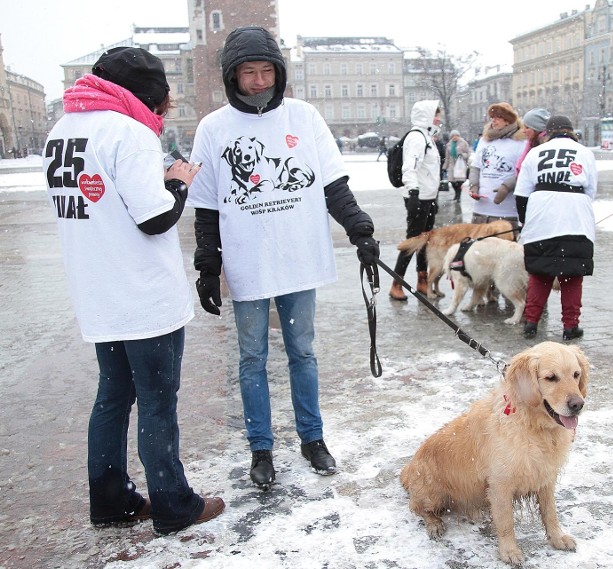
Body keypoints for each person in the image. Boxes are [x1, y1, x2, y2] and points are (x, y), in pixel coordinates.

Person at [187, 27, 380, 488]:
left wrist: (359, 228)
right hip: (246, 261)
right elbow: (207, 206)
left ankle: (312, 439)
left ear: (279, 71)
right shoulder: (213, 128)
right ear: (233, 76)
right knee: (251, 357)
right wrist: (207, 263)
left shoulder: (304, 117)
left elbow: (333, 184)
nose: (258, 81)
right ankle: (261, 448)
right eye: (249, 73)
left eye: (266, 70)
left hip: (297, 257)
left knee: (302, 351)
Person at [42, 47, 224, 534]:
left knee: (113, 396)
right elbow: (155, 218)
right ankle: (172, 503)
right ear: (148, 94)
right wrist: (179, 182)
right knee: (158, 400)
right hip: (144, 298)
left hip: (98, 292)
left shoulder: (62, 133)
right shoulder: (130, 132)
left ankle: (109, 498)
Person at [515, 115, 597, 341]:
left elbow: (521, 194)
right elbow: (590, 191)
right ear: (571, 132)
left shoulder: (535, 153)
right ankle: (570, 327)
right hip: (576, 221)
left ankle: (531, 322)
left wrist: (526, 221)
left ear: (547, 133)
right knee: (572, 277)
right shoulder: (584, 153)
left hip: (542, 219)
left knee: (539, 274)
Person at [388, 100, 442, 301]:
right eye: (436, 115)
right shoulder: (417, 137)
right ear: (427, 116)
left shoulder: (427, 136)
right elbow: (409, 167)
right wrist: (413, 193)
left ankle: (422, 280)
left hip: (427, 197)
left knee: (425, 239)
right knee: (413, 241)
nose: (438, 118)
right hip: (418, 198)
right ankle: (396, 283)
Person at [468, 102, 526, 230]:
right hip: (481, 210)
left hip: (506, 212)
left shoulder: (521, 142)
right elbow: (476, 167)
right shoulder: (485, 140)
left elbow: (525, 172)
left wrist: (506, 187)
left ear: (508, 120)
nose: (494, 120)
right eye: (492, 117)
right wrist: (474, 186)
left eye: (498, 117)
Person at [515, 108, 551, 175]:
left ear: (536, 129)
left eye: (527, 128)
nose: (524, 131)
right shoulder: (531, 143)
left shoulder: (546, 147)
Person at [442, 129, 471, 202]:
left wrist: (462, 155)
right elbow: (447, 157)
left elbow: (468, 154)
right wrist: (445, 166)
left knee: (459, 182)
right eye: (453, 136)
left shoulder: (463, 143)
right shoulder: (449, 144)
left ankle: (458, 196)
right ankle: (456, 193)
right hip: (451, 166)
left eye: (456, 135)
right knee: (452, 182)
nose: (455, 137)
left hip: (460, 165)